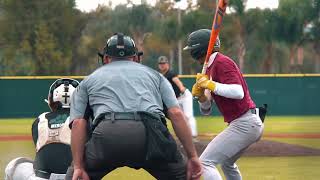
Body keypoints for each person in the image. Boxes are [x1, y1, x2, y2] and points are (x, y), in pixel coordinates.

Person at [65, 33, 202, 180]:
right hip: (150, 134)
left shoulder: (88, 81)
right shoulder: (157, 76)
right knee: (183, 176)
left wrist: (79, 166)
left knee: (75, 176)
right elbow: (176, 113)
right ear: (136, 58)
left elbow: (79, 123)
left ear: (105, 58)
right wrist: (192, 156)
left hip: (107, 135)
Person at [183, 29, 264, 180]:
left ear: (198, 49)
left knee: (205, 163)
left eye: (191, 49)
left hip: (245, 122)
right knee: (227, 163)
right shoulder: (210, 68)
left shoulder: (222, 62)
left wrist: (210, 84)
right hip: (245, 123)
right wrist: (201, 97)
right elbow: (206, 110)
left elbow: (238, 92)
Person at [5, 78, 80, 180]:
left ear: (52, 100)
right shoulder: (83, 120)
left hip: (41, 178)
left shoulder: (40, 120)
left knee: (14, 165)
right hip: (75, 177)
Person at [158, 56, 198, 139]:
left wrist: (181, 88)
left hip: (184, 96)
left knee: (188, 115)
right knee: (180, 116)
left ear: (167, 64)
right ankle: (185, 134)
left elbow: (177, 81)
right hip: (177, 99)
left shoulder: (170, 73)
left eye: (164, 63)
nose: (162, 65)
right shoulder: (161, 76)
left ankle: (193, 135)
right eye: (160, 64)